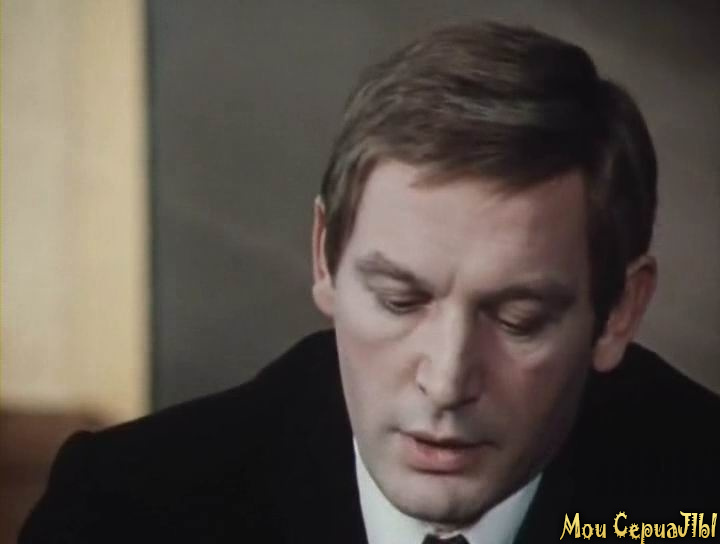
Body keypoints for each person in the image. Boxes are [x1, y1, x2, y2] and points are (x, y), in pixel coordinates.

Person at [21, 21, 720, 544]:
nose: (446, 382)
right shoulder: (124, 510)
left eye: (519, 320)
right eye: (399, 301)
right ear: (325, 259)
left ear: (619, 311)